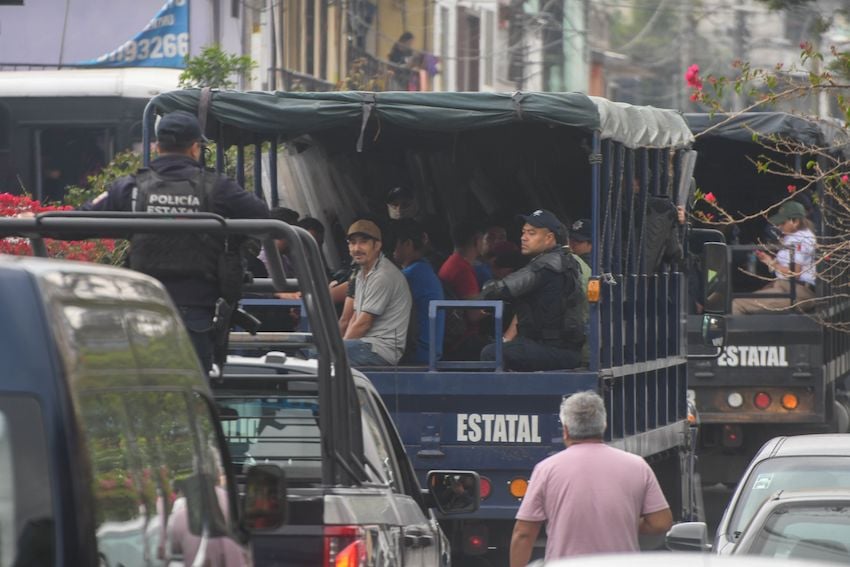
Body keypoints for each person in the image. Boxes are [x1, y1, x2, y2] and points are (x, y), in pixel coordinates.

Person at [81, 110, 270, 372]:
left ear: (157, 147)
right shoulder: (218, 187)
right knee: (194, 395)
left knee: (147, 390)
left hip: (145, 308)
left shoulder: (132, 187)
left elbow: (79, 220)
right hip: (197, 313)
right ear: (195, 148)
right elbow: (262, 217)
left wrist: (31, 220)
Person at [509, 391, 673, 565]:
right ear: (604, 425)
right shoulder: (637, 466)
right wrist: (625, 521)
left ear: (565, 430)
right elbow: (661, 523)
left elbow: (524, 534)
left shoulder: (546, 469)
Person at [480, 210, 585, 371]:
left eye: (532, 233)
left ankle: (499, 397)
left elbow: (499, 290)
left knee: (491, 353)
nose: (523, 237)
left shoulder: (545, 265)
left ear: (549, 238)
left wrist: (487, 287)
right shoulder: (564, 259)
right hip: (561, 347)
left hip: (553, 348)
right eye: (523, 232)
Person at [337, 219, 412, 366]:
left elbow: (363, 324)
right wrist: (342, 345)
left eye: (363, 242)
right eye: (352, 243)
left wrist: (339, 351)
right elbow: (355, 318)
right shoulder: (362, 274)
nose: (356, 248)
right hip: (365, 345)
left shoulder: (383, 275)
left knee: (320, 354)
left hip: (381, 350)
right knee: (315, 350)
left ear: (377, 245)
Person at [732, 200, 816, 314]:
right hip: (786, 287)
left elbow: (794, 273)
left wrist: (772, 263)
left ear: (795, 221)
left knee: (737, 304)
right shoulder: (795, 237)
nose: (779, 226)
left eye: (782, 223)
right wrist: (768, 261)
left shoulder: (800, 239)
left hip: (798, 292)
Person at [393, 219, 446, 363]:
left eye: (395, 243)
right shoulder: (422, 269)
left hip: (418, 353)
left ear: (408, 244)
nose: (391, 250)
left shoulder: (412, 275)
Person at [439, 222, 487, 360]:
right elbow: (474, 315)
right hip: (463, 343)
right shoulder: (462, 269)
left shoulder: (452, 263)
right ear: (477, 240)